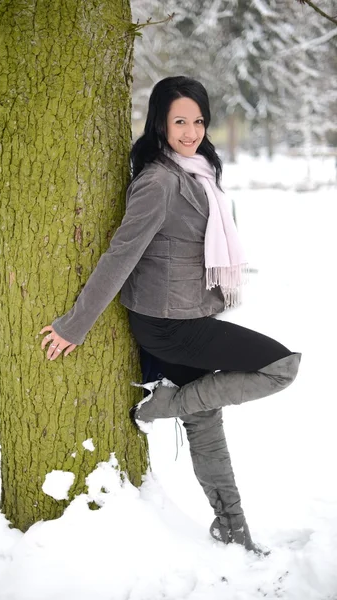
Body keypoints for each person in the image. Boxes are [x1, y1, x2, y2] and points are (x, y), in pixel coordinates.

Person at [39, 76, 301, 554]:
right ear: (160, 121)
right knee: (281, 366)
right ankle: (161, 406)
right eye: (180, 120)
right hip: (168, 324)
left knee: (205, 419)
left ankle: (233, 529)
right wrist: (74, 324)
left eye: (198, 120)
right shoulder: (159, 181)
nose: (190, 131)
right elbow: (121, 255)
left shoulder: (197, 171)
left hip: (188, 313)